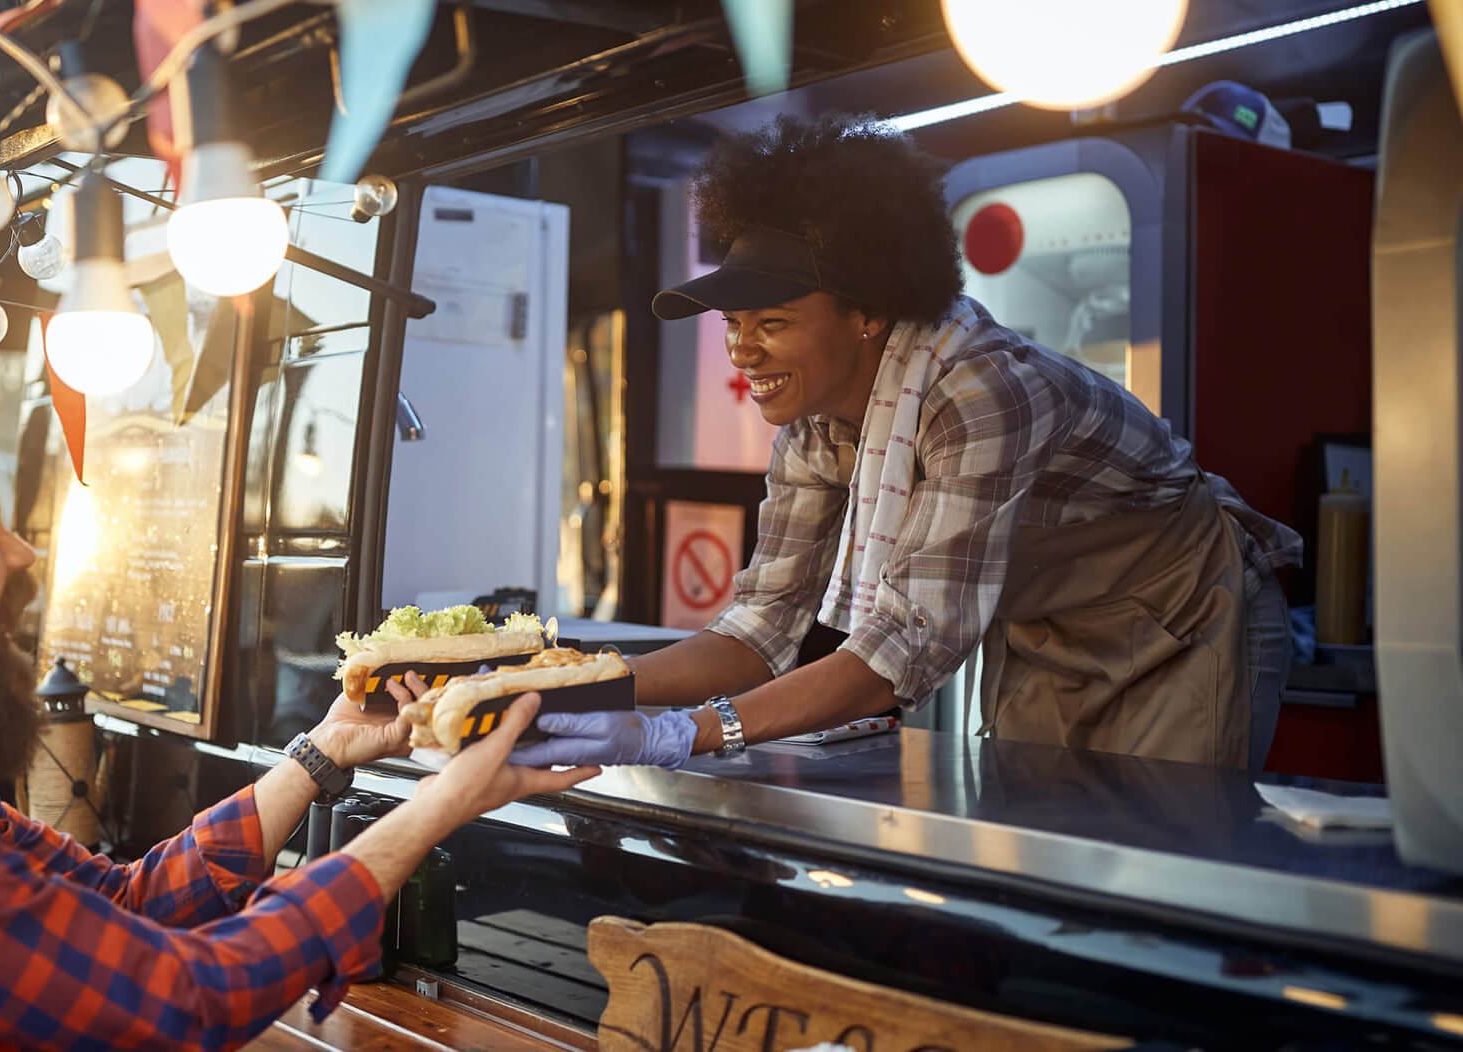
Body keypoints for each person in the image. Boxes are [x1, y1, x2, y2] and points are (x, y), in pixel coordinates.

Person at [0, 417, 597, 1050]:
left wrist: (319, 755)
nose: (25, 556)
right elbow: (188, 1006)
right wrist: (441, 804)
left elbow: (124, 903)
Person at [517, 114, 1300, 772]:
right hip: (1045, 636)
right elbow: (763, 628)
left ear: (868, 311)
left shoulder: (980, 392)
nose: (743, 350)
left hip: (1184, 622)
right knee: (1044, 865)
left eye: (774, 321)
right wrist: (582, 686)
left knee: (1157, 883)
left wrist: (681, 732)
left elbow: (899, 651)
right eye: (735, 324)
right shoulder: (813, 426)